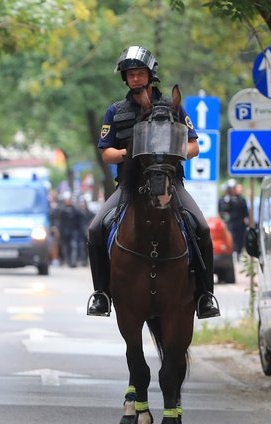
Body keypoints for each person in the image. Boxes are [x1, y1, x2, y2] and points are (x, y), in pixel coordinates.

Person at [86, 46, 220, 319]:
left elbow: (194, 146)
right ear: (125, 78)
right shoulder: (115, 111)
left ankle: (206, 296)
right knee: (95, 229)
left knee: (203, 229)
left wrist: (173, 152)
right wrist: (130, 153)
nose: (135, 79)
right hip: (128, 187)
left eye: (140, 73)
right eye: (130, 74)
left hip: (172, 185)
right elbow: (107, 153)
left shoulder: (172, 108)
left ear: (150, 75)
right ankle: (101, 294)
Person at [218, 179, 249, 256]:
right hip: (229, 223)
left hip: (240, 223)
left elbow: (245, 211)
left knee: (240, 239)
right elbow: (222, 211)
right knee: (231, 238)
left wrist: (246, 218)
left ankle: (238, 252)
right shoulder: (224, 199)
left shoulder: (241, 199)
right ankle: (233, 252)